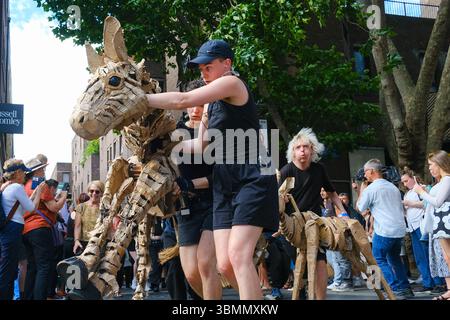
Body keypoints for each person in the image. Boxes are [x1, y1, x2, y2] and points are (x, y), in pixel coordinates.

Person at [145, 39, 279, 299]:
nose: (203, 72)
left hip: (252, 175)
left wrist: (142, 98)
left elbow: (182, 99)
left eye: (208, 67)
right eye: (200, 69)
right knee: (225, 265)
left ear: (227, 64)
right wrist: (167, 146)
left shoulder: (233, 83)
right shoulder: (211, 104)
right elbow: (204, 146)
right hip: (224, 181)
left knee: (238, 256)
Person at [278, 128, 349, 299]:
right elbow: (278, 199)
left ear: (312, 150)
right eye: (298, 147)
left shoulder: (319, 169)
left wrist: (344, 214)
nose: (302, 150)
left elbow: (332, 193)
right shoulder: (287, 170)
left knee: (320, 261)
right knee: (300, 265)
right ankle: (302, 291)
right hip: (292, 224)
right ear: (293, 152)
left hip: (314, 223)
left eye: (305, 147)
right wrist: (282, 201)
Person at [171, 79, 221, 299]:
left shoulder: (217, 134)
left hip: (215, 202)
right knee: (191, 273)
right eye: (192, 103)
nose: (195, 109)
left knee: (205, 263)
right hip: (186, 207)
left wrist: (190, 183)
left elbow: (221, 175)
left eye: (201, 103)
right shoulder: (174, 134)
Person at [357, 159, 414, 299]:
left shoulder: (371, 189)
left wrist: (362, 189)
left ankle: (393, 288)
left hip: (384, 230)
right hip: (399, 229)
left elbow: (360, 208)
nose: (365, 175)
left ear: (371, 171)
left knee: (378, 259)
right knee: (394, 258)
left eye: (365, 172)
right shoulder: (393, 187)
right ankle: (405, 288)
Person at [0, 159, 44, 300]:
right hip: (13, 229)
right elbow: (31, 208)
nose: (26, 174)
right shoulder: (17, 187)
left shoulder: (9, 187)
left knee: (9, 266)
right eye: (23, 171)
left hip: (9, 229)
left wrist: (35, 191)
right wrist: (39, 192)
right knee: (8, 268)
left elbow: (23, 205)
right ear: (17, 173)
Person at [413, 151, 450, 300]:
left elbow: (438, 202)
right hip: (441, 222)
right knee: (444, 257)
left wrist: (421, 191)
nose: (429, 168)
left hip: (444, 221)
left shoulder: (447, 179)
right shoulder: (443, 181)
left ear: (439, 163)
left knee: (447, 256)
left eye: (431, 164)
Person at [22, 178, 67, 300]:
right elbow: (54, 207)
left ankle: (28, 296)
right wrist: (64, 196)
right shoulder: (43, 186)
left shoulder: (26, 185)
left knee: (33, 267)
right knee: (44, 266)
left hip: (26, 229)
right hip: (39, 228)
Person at [400, 167, 436, 292]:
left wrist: (409, 203)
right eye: (403, 182)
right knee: (420, 256)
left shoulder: (421, 188)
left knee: (427, 254)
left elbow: (427, 203)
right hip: (412, 227)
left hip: (422, 225)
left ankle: (436, 282)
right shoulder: (408, 192)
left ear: (412, 178)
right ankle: (427, 282)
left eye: (406, 181)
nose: (404, 184)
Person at [73, 181, 104, 254]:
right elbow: (77, 226)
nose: (94, 194)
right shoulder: (81, 207)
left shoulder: (104, 208)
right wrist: (76, 240)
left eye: (97, 192)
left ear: (102, 193)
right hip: (84, 243)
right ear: (88, 192)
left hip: (100, 243)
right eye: (91, 191)